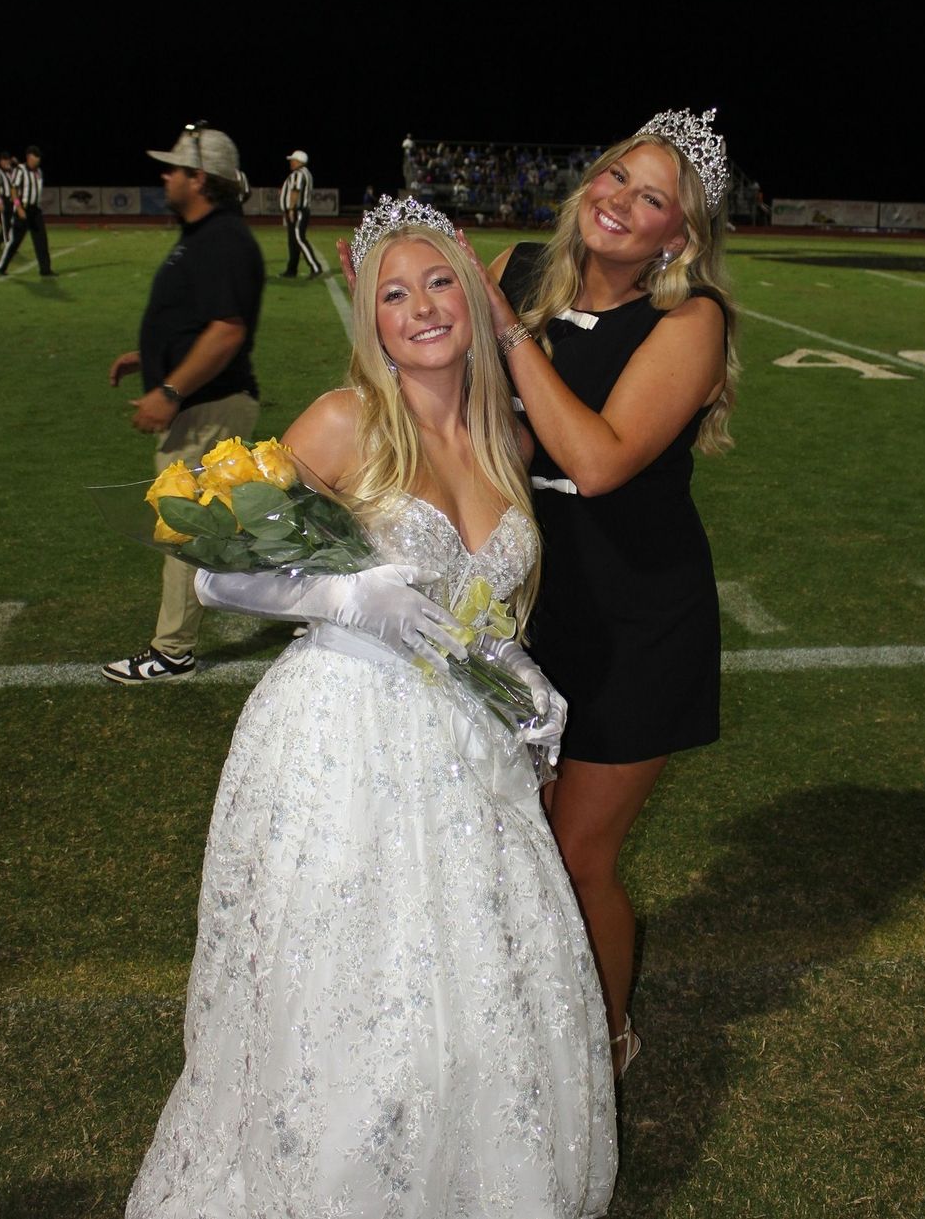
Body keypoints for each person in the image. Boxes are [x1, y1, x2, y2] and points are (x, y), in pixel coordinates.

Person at [125, 198, 616, 1218]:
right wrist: (344, 596)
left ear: (475, 302)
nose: (421, 307)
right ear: (371, 319)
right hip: (341, 736)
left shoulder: (506, 439)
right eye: (393, 293)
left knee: (479, 986)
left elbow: (480, 608)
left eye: (440, 282)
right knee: (354, 993)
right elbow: (214, 569)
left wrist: (520, 678)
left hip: (464, 755)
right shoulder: (345, 421)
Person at [469, 108, 738, 1078]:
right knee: (510, 842)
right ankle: (528, 1020)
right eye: (615, 178)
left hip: (638, 617)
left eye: (652, 198)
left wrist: (507, 334)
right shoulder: (519, 269)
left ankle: (604, 1040)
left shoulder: (689, 319)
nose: (620, 202)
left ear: (682, 233)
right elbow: (478, 432)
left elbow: (601, 462)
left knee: (577, 853)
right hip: (529, 603)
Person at [103, 123, 265, 684]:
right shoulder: (208, 236)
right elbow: (198, 322)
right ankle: (315, 600)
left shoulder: (221, 240)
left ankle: (172, 651)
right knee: (235, 520)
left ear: (201, 178)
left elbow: (225, 330)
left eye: (175, 167)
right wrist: (147, 358)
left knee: (186, 526)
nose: (165, 175)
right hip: (206, 403)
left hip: (208, 408)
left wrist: (171, 390)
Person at [0, 144, 52, 275]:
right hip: (23, 209)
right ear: (28, 158)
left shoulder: (39, 171)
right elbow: (14, 189)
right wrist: (18, 207)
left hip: (35, 210)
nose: (37, 161)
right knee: (14, 242)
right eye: (34, 159)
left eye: (38, 159)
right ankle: (0, 266)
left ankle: (45, 270)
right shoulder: (20, 170)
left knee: (41, 240)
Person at [278, 148, 325, 277]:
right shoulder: (306, 173)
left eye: (292, 160)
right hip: (299, 211)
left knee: (299, 239)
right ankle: (291, 270)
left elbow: (295, 191)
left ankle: (315, 267)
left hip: (298, 211)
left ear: (298, 161)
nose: (291, 163)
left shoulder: (298, 174)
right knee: (293, 241)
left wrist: (291, 208)